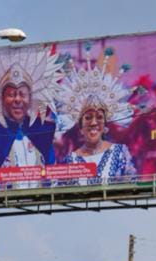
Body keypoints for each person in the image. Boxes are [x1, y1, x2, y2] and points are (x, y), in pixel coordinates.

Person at [0, 45, 61, 192]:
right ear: (2, 99)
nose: (17, 99)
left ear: (30, 98)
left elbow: (54, 180)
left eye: (22, 94)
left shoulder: (43, 133)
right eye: (11, 94)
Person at [56, 53, 137, 184]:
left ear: (105, 126)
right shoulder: (70, 160)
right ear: (80, 127)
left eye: (99, 117)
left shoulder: (121, 153)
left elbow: (132, 186)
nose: (93, 123)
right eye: (88, 118)